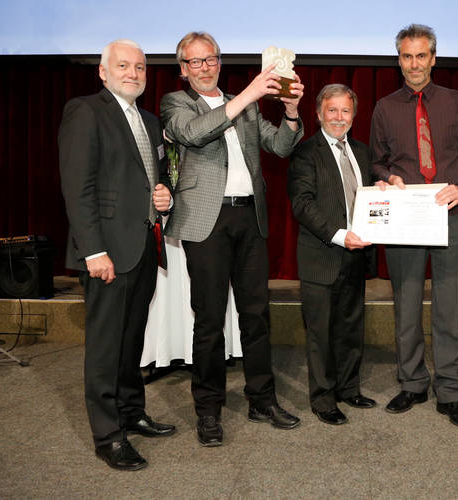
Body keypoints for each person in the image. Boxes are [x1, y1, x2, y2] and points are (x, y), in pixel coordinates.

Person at [160, 32, 304, 446]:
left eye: (211, 59)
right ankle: (208, 410)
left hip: (249, 217)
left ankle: (262, 399)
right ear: (183, 69)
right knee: (209, 320)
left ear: (220, 62)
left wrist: (291, 112)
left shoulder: (245, 104)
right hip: (206, 220)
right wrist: (248, 94)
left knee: (256, 314)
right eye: (195, 61)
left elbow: (279, 146)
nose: (204, 67)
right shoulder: (176, 103)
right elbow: (194, 134)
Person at [58, 39, 176, 471]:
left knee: (131, 340)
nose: (133, 73)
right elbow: (78, 188)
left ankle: (131, 411)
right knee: (106, 348)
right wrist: (93, 250)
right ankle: (108, 436)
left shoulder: (149, 120)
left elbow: (155, 178)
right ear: (103, 72)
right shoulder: (86, 112)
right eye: (123, 65)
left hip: (143, 247)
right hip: (107, 252)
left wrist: (165, 195)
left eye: (140, 67)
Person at [370, 24, 458, 428]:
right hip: (406, 216)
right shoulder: (384, 107)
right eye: (407, 56)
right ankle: (413, 383)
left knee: (453, 306)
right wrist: (387, 177)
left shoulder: (456, 101)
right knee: (406, 303)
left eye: (421, 56)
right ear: (398, 60)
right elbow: (377, 161)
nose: (414, 64)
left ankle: (450, 390)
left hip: (453, 212)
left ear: (433, 58)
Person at [287, 84, 377, 425]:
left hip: (356, 256)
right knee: (321, 333)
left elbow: (370, 196)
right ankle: (323, 399)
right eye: (332, 110)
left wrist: (384, 188)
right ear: (319, 113)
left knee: (350, 328)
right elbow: (302, 203)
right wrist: (339, 236)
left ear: (354, 115)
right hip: (322, 254)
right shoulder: (305, 152)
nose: (339, 117)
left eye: (345, 110)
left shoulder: (363, 152)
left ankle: (349, 388)